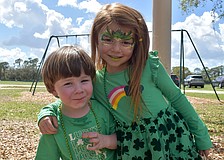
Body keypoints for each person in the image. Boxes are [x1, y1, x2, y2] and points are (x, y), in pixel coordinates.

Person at [37, 3, 212, 159]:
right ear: (95, 39)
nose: (116, 49)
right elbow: (68, 98)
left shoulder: (149, 66)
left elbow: (177, 99)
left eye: (126, 42)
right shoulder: (94, 81)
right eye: (107, 39)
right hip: (131, 147)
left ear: (137, 43)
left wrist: (201, 135)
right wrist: (45, 113)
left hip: (169, 138)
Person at [35, 45, 117, 160]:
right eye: (68, 83)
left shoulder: (102, 109)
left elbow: (123, 140)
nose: (79, 90)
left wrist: (106, 141)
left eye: (84, 80)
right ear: (53, 89)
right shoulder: (53, 124)